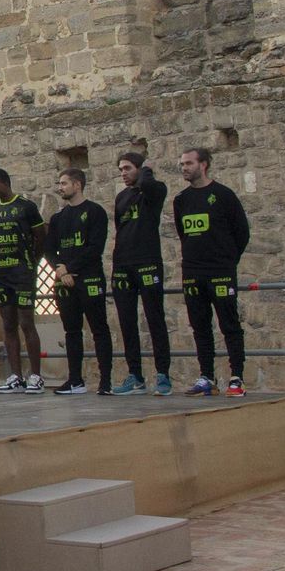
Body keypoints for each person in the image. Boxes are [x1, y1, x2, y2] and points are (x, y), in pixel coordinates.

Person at [174, 147, 251, 397]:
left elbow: (242, 232)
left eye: (189, 163)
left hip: (220, 271)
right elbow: (183, 233)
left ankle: (237, 377)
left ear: (203, 164)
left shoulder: (223, 195)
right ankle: (207, 376)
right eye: (182, 164)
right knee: (200, 326)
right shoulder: (181, 199)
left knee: (229, 324)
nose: (184, 168)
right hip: (192, 272)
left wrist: (227, 261)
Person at [46, 169, 112, 395]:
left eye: (64, 183)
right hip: (65, 282)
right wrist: (60, 269)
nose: (60, 187)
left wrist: (70, 268)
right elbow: (49, 249)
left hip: (89, 278)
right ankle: (75, 380)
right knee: (71, 331)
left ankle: (105, 381)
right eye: (59, 183)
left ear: (77, 185)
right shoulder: (58, 218)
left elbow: (95, 248)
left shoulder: (95, 212)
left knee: (99, 329)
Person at [110, 151, 171, 396]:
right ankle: (135, 375)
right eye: (120, 169)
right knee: (127, 322)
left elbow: (148, 185)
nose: (123, 173)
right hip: (123, 265)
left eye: (127, 168)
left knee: (155, 319)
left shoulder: (154, 190)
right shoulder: (122, 197)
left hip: (147, 262)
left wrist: (146, 169)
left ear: (140, 169)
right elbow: (120, 226)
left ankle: (163, 374)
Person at [0, 169, 47, 395]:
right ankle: (15, 376)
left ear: (4, 183)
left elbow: (41, 236)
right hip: (2, 275)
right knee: (8, 324)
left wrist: (32, 262)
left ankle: (36, 376)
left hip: (22, 274)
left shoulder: (26, 207)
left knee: (26, 323)